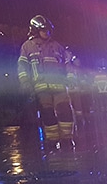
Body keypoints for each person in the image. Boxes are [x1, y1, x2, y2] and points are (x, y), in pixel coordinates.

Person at [17, 15, 75, 149]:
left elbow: (68, 64)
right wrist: (25, 81)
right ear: (35, 30)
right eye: (43, 30)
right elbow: (22, 66)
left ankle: (67, 139)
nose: (46, 33)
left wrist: (71, 78)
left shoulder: (57, 46)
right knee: (47, 114)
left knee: (65, 111)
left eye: (48, 30)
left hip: (59, 86)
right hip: (41, 88)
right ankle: (52, 141)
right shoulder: (27, 47)